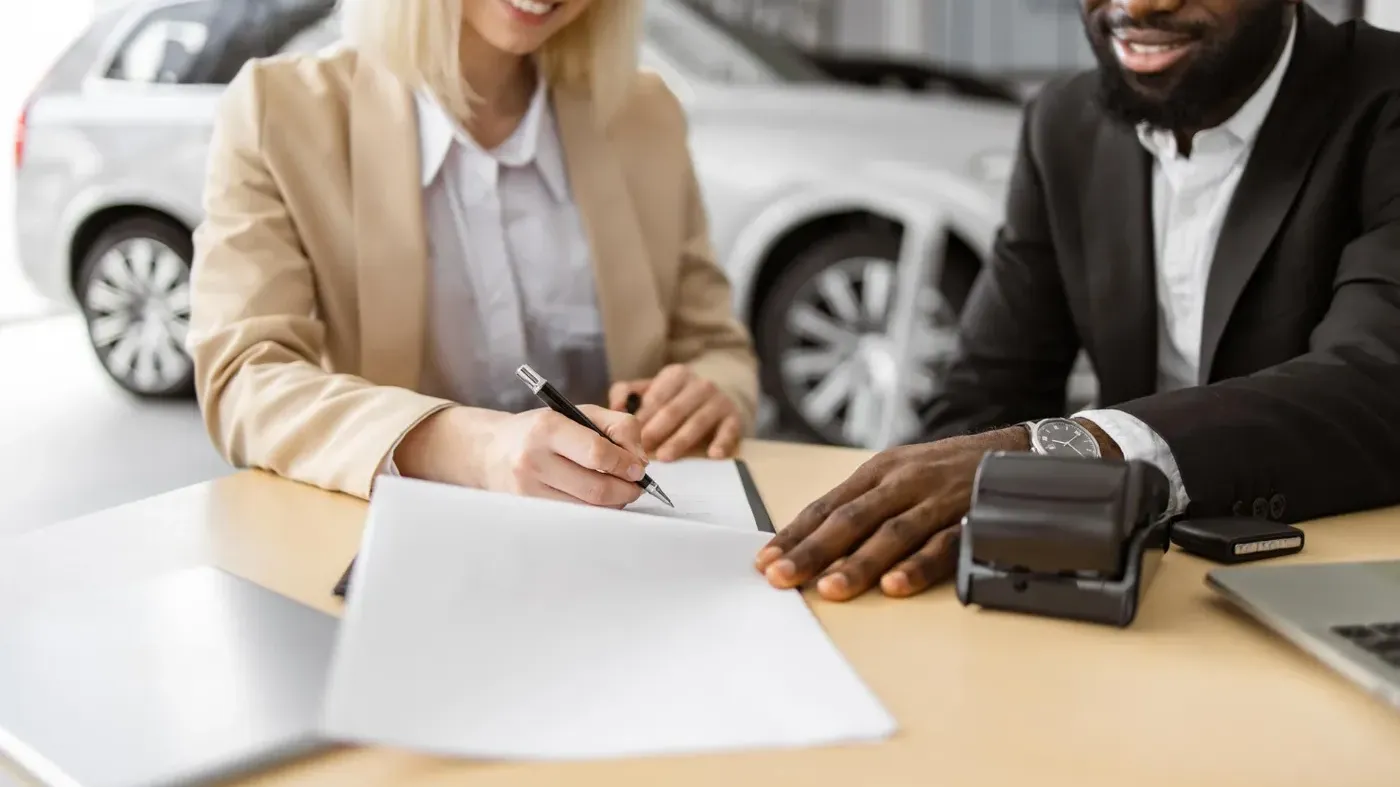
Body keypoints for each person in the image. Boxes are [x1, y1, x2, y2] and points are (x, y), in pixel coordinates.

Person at [757, 0, 1400, 601]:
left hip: (1343, 585)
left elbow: (1375, 384)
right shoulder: (1065, 122)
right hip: (1141, 596)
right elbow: (985, 395)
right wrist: (942, 519)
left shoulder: (1383, 99)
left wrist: (1073, 449)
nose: (1140, 4)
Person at [187, 0, 758, 506]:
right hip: (399, 542)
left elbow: (716, 349)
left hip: (627, 536)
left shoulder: (645, 113)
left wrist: (709, 393)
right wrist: (469, 447)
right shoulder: (279, 111)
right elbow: (245, 377)